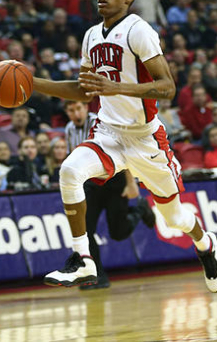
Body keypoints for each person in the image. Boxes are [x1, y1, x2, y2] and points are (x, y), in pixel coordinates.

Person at [33, 0, 217, 292]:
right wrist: (32, 83)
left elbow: (167, 87)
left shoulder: (139, 30)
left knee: (174, 218)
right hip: (108, 132)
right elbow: (83, 90)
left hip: (145, 137)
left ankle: (205, 243)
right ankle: (83, 259)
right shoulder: (91, 36)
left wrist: (116, 87)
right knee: (69, 171)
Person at [63, 100, 156, 290]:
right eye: (71, 110)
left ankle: (140, 208)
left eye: (78, 108)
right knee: (85, 231)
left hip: (114, 180)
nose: (76, 113)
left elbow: (123, 151)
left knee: (118, 232)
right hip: (91, 184)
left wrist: (131, 183)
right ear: (67, 113)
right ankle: (96, 275)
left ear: (85, 108)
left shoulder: (100, 122)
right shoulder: (69, 130)